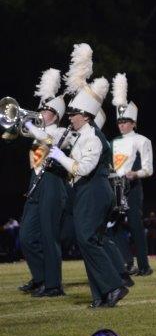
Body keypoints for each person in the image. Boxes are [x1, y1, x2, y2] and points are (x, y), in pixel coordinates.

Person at [45, 43, 128, 307]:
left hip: (95, 190)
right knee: (88, 240)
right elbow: (53, 139)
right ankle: (101, 295)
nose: (69, 118)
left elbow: (82, 169)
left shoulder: (93, 138)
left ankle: (114, 286)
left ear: (86, 116)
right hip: (85, 191)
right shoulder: (80, 135)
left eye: (73, 114)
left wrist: (59, 157)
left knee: (87, 239)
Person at [17, 68, 68, 297]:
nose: (40, 113)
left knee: (49, 236)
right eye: (41, 109)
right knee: (26, 236)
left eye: (45, 111)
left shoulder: (61, 132)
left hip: (52, 185)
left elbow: (46, 138)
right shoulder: (38, 131)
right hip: (35, 184)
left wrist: (28, 124)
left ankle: (53, 285)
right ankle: (40, 278)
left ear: (55, 116)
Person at [109, 73, 154, 276]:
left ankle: (144, 266)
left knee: (136, 226)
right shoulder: (112, 143)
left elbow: (149, 169)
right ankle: (127, 262)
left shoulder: (142, 140)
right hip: (115, 188)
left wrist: (135, 174)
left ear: (133, 123)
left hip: (133, 187)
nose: (122, 125)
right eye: (120, 121)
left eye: (125, 121)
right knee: (114, 225)